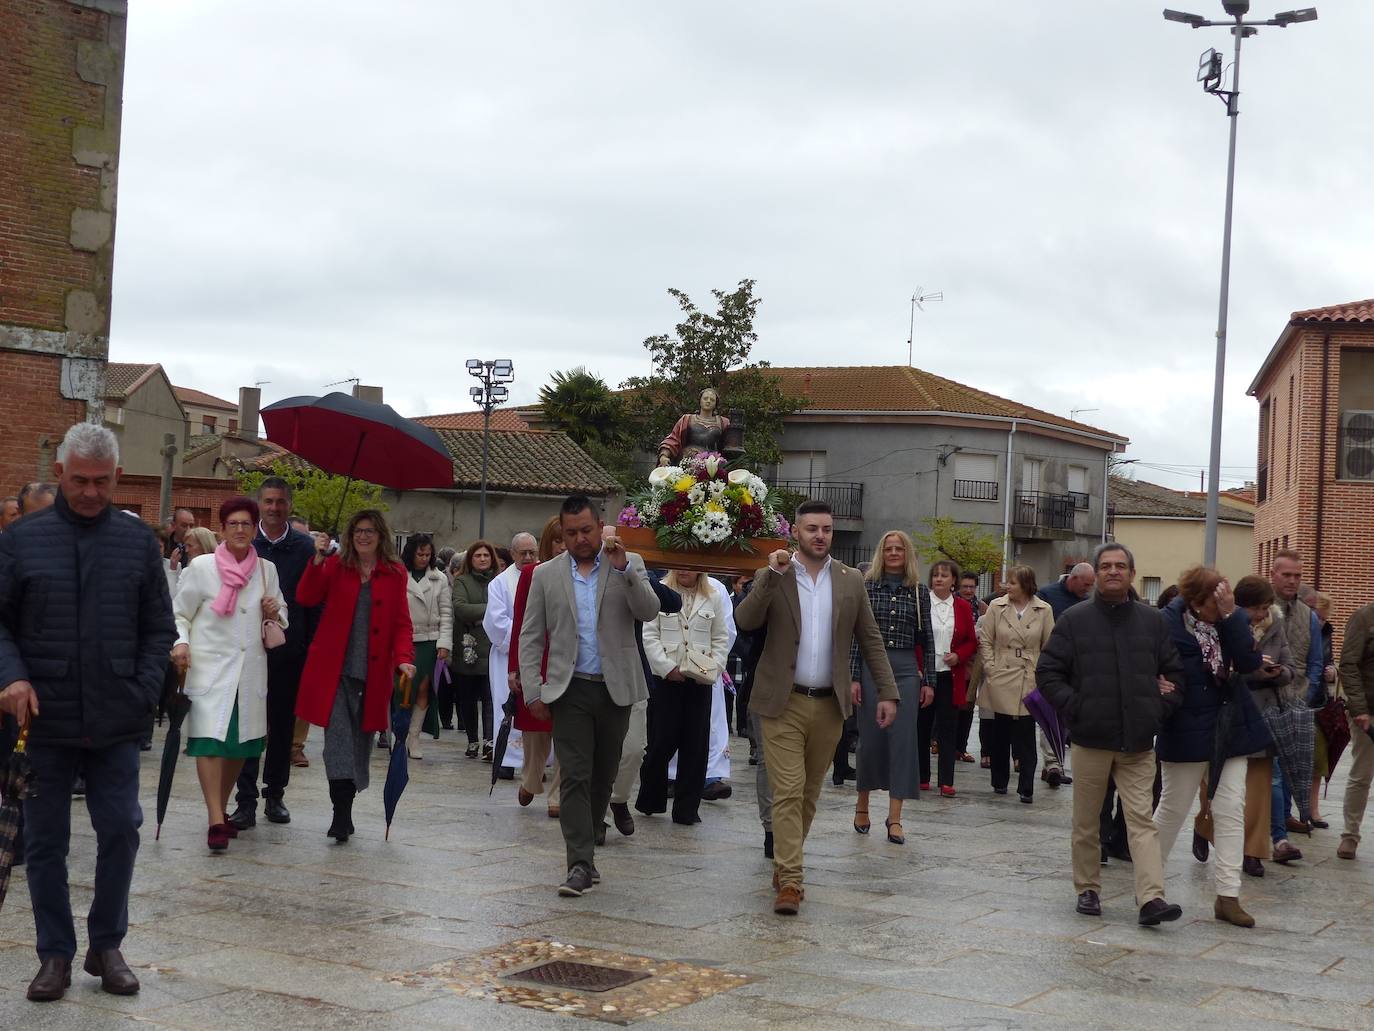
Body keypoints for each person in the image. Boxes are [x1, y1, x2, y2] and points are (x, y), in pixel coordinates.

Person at [0, 423, 175, 1001]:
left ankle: (107, 943)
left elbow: (159, 630)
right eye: (80, 481)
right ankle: (55, 954)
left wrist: (144, 691)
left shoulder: (137, 543)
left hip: (116, 717)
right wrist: (13, 676)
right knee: (46, 840)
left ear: (118, 477)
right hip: (43, 720)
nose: (92, 492)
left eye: (102, 482)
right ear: (59, 474)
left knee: (122, 828)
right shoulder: (21, 541)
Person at [735, 499, 898, 915]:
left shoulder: (849, 581)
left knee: (808, 794)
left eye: (826, 529)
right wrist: (771, 575)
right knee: (786, 791)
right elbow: (746, 620)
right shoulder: (773, 575)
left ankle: (787, 862)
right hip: (781, 703)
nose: (820, 535)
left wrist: (889, 692)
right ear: (796, 532)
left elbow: (871, 639)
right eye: (812, 529)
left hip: (829, 705)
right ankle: (791, 880)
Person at [517, 496, 660, 897]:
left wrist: (626, 571)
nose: (580, 539)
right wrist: (533, 690)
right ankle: (579, 862)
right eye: (571, 533)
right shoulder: (545, 575)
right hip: (570, 688)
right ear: (561, 534)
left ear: (600, 526)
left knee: (603, 777)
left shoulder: (627, 564)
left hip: (616, 688)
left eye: (586, 530)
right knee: (575, 776)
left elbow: (648, 612)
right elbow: (531, 637)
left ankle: (590, 840)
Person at [1036, 542, 1185, 927]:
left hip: (1137, 741)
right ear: (1095, 575)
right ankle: (1088, 888)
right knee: (1087, 821)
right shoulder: (1074, 620)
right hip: (1091, 738)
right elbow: (1048, 673)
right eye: (1106, 566)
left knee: (1142, 821)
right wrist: (1078, 706)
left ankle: (1151, 898)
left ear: (1132, 574)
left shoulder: (1153, 623)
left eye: (1121, 566)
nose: (1114, 571)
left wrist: (1157, 710)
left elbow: (1175, 675)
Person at [170, 496, 288, 852]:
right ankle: (215, 820)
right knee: (208, 742)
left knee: (240, 746)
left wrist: (273, 611)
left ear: (255, 530)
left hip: (250, 673)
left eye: (246, 524)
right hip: (209, 669)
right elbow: (178, 614)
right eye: (233, 524)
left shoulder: (266, 571)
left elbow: (282, 620)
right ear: (222, 529)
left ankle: (220, 809)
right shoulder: (202, 567)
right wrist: (181, 643)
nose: (240, 530)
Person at [294, 510, 415, 843]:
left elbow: (402, 624)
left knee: (359, 746)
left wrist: (404, 660)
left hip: (372, 674)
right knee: (337, 742)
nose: (363, 536)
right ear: (349, 535)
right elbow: (306, 596)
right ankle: (340, 814)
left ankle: (345, 808)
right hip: (334, 670)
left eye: (370, 531)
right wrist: (316, 560)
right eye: (358, 531)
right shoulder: (335, 566)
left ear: (381, 536)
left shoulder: (395, 573)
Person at [1154, 566, 1265, 927]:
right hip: (1185, 727)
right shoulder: (1166, 624)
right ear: (1197, 602)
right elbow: (1152, 665)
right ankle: (1150, 888)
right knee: (1173, 808)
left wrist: (1233, 616)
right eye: (1217, 601)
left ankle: (1228, 896)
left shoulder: (1226, 622)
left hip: (1228, 727)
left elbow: (1248, 662)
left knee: (1231, 807)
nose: (1222, 606)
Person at [229, 477, 319, 829]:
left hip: (289, 652)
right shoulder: (245, 545)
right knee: (250, 725)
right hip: (248, 651)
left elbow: (314, 601)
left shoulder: (305, 548)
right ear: (259, 505)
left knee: (281, 727)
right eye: (268, 501)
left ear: (289, 505)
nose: (274, 508)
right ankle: (245, 799)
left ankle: (275, 794)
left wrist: (308, 645)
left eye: (280, 501)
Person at [847, 531, 933, 845]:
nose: (894, 553)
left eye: (899, 548)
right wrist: (853, 676)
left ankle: (895, 818)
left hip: (908, 669)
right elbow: (856, 635)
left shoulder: (919, 592)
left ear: (907, 554)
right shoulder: (866, 586)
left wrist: (929, 681)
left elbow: (928, 640)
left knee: (904, 743)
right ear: (881, 553)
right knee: (870, 740)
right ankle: (862, 805)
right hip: (872, 666)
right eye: (888, 548)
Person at [637, 569, 731, 825]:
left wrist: (712, 667)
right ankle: (651, 799)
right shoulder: (659, 592)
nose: (685, 572)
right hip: (666, 680)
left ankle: (687, 809)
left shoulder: (712, 597)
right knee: (660, 741)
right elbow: (650, 635)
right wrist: (667, 668)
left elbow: (721, 638)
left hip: (699, 681)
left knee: (695, 746)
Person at [1232, 574, 1298, 876]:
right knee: (1223, 786)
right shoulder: (1231, 626)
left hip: (1267, 714)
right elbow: (1226, 671)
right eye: (1258, 607)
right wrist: (1254, 668)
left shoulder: (1276, 625)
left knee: (1263, 785)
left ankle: (1254, 852)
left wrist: (1276, 671)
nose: (1262, 613)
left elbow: (1290, 668)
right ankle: (1205, 830)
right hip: (1233, 714)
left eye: (1266, 607)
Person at [1267, 550, 1324, 864]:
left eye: (1297, 575)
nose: (1292, 581)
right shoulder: (1261, 610)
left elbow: (1315, 662)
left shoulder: (1309, 616)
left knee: (1290, 772)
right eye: (1286, 574)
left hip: (1295, 705)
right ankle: (1279, 838)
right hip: (1264, 703)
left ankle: (1280, 823)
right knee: (1274, 773)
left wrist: (1306, 694)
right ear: (1273, 574)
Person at [508, 516, 567, 817]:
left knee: (567, 730)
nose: (562, 546)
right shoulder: (532, 574)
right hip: (537, 660)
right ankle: (531, 778)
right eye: (556, 540)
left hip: (568, 660)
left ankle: (557, 794)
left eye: (565, 539)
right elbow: (521, 622)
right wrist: (514, 667)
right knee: (536, 728)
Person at [979, 565, 1053, 803]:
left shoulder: (1043, 609)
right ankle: (999, 780)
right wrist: (991, 667)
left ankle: (1026, 786)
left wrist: (1043, 674)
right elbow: (986, 639)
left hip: (1029, 673)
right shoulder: (996, 607)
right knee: (1000, 729)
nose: (1006, 586)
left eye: (1012, 582)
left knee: (1026, 731)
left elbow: (1049, 645)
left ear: (1025, 584)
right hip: (1002, 671)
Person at [483, 532, 540, 773]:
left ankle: (537, 761)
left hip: (539, 656)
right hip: (508, 657)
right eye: (523, 553)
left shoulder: (546, 576)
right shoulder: (499, 583)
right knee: (506, 706)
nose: (528, 557)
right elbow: (496, 622)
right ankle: (507, 760)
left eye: (532, 553)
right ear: (513, 553)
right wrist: (523, 640)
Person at [923, 559, 979, 797]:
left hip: (950, 675)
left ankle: (946, 780)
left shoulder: (963, 607)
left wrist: (959, 655)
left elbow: (971, 641)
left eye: (944, 575)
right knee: (922, 728)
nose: (939, 579)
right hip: (926, 675)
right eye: (935, 575)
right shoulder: (923, 602)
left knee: (948, 729)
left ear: (953, 580)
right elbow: (917, 637)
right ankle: (921, 776)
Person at [1035, 563, 1093, 786]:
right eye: (1086, 585)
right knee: (1049, 713)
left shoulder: (1088, 601)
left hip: (1077, 666)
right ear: (1074, 578)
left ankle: (1054, 762)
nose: (1087, 589)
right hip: (1052, 663)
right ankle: (1052, 765)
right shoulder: (1047, 595)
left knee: (1066, 715)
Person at [401, 533, 452, 760]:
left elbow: (447, 613)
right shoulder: (399, 575)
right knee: (401, 688)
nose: (424, 558)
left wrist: (444, 643)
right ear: (411, 553)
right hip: (404, 640)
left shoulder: (439, 578)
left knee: (423, 688)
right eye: (420, 554)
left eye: (428, 554)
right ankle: (397, 732)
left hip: (430, 641)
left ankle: (414, 737)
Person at [454, 539, 499, 759]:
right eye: (478, 556)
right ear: (470, 559)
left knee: (490, 698)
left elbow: (504, 610)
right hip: (468, 649)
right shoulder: (462, 581)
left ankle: (490, 742)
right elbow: (461, 609)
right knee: (468, 699)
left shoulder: (499, 581)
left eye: (486, 555)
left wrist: (480, 615)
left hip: (492, 648)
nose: (482, 559)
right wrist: (490, 612)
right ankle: (473, 741)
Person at [1338, 598, 1374, 860]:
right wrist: (1360, 708)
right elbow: (1348, 664)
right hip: (1368, 711)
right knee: (1362, 775)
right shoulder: (1364, 618)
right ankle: (1350, 835)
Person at [1310, 592, 1338, 827]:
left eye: (1323, 618)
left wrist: (1332, 673)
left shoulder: (1327, 632)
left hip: (1321, 701)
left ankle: (1313, 808)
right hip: (1301, 698)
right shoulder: (1303, 630)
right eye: (1317, 616)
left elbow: (1330, 661)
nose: (1320, 622)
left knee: (1319, 759)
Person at [656, 387, 730, 467]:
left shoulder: (723, 422)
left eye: (712, 400)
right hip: (687, 464)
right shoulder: (686, 419)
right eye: (705, 398)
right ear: (700, 401)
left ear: (716, 403)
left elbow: (730, 446)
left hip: (712, 466)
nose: (708, 401)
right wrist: (664, 456)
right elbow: (673, 439)